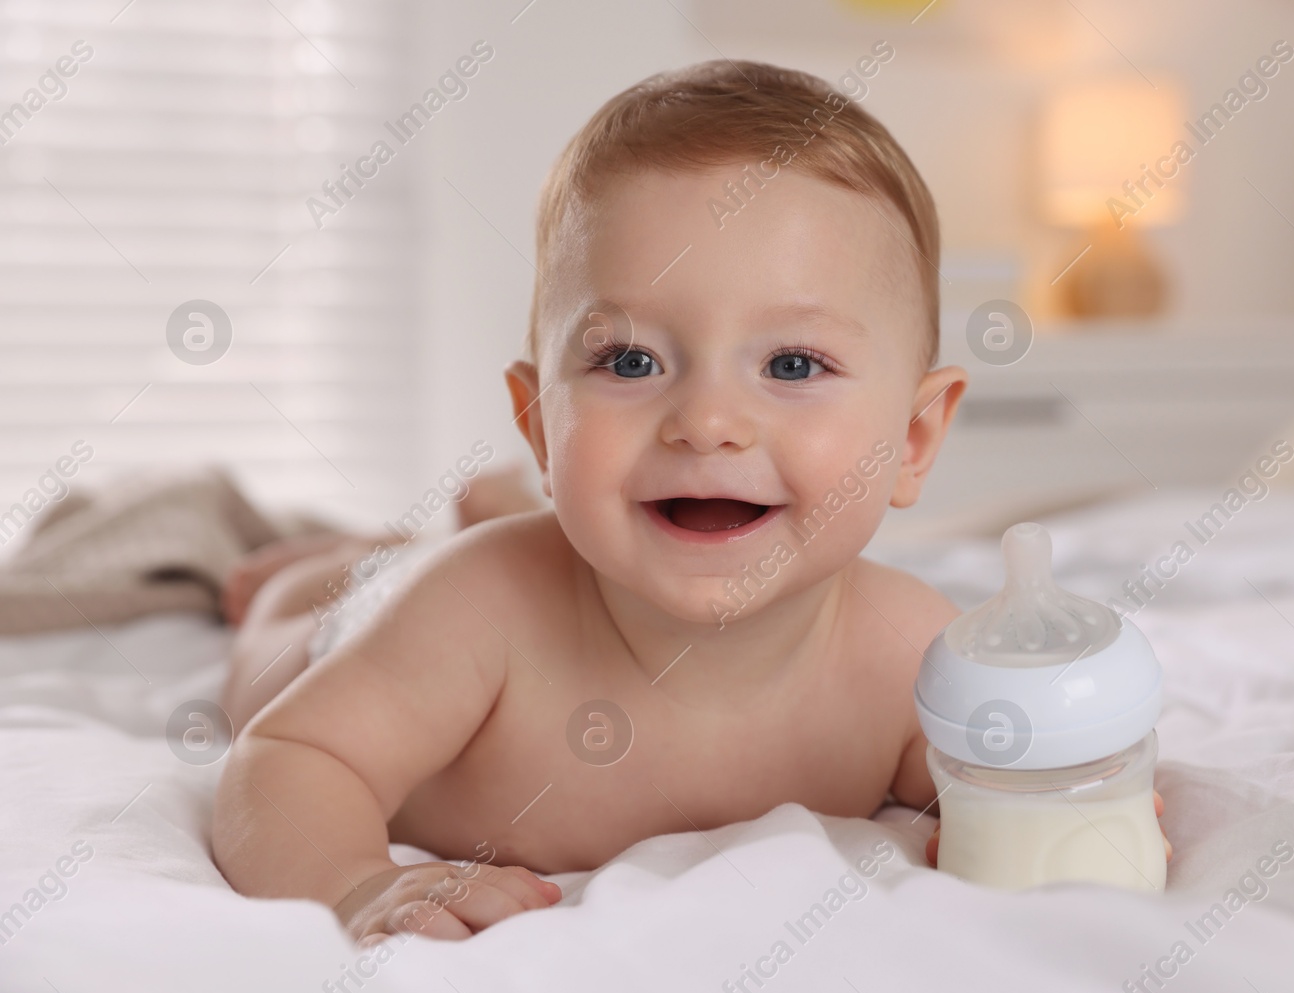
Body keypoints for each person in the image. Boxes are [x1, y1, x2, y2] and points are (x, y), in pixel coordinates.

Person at [212, 59, 1167, 945]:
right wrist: (351, 882)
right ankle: (337, 563)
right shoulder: (479, 613)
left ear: (912, 440)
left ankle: (432, 524)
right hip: (350, 626)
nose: (707, 422)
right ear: (542, 425)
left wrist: (1050, 800)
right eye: (630, 361)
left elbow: (977, 778)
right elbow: (288, 753)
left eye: (793, 364)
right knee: (287, 629)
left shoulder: (906, 655)